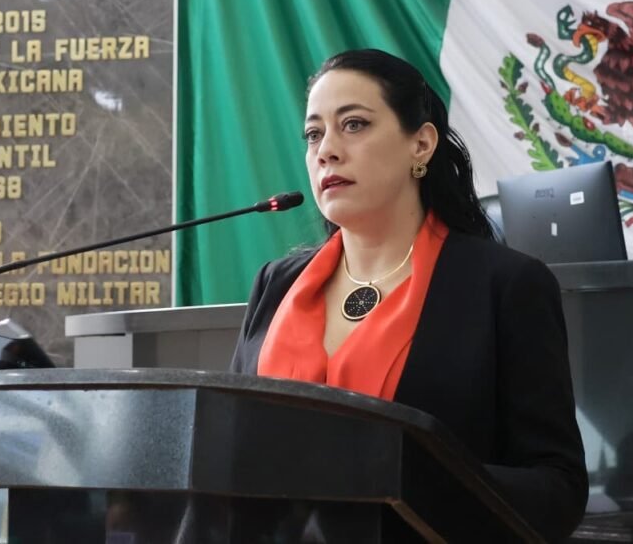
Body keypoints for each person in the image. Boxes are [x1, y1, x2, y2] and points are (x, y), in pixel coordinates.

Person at [231, 49, 587, 541]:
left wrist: (404, 475)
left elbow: (559, 490)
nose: (326, 150)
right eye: (314, 134)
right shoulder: (276, 284)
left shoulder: (505, 285)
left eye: (353, 125)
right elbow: (227, 455)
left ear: (421, 144)